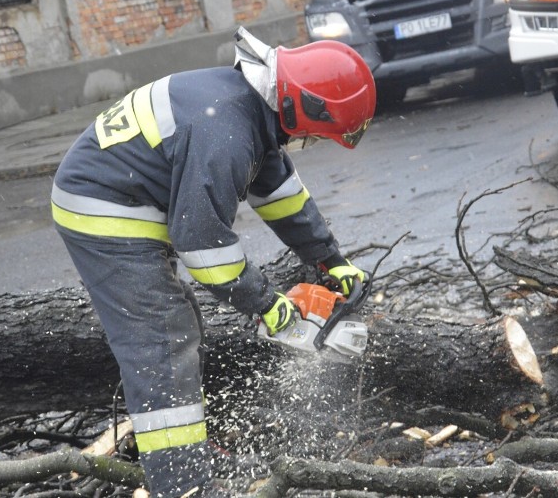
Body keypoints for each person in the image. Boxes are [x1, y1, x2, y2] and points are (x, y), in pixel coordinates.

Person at [51, 27, 376, 497]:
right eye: (317, 134)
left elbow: (282, 196)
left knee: (179, 324)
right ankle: (182, 484)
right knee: (163, 337)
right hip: (103, 208)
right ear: (304, 110)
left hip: (131, 196)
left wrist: (330, 261)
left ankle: (186, 453)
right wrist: (267, 304)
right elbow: (202, 245)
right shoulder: (225, 131)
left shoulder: (250, 113)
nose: (312, 141)